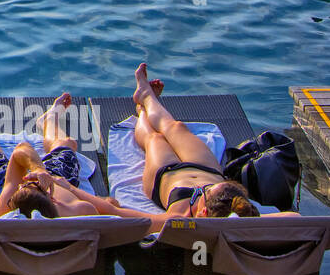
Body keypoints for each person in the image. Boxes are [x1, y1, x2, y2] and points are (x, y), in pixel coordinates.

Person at [121, 63, 290, 231]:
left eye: (204, 195)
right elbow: (292, 216)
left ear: (202, 212)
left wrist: (107, 205)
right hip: (206, 169)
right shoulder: (242, 214)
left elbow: (131, 218)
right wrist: (254, 221)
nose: (201, 192)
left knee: (154, 139)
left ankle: (142, 107)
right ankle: (147, 96)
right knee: (176, 127)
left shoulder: (178, 218)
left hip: (166, 174)